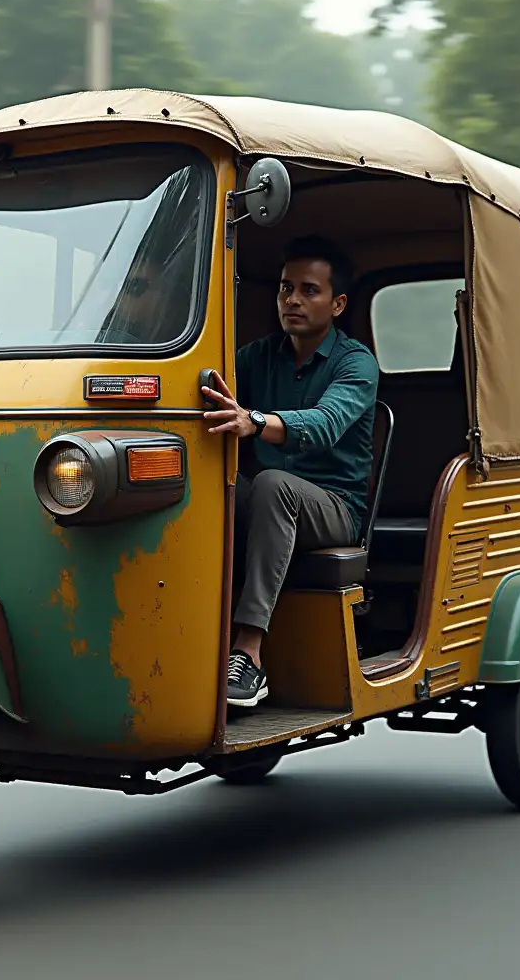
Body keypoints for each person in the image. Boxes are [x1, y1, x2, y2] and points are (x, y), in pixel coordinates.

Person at [201, 235, 380, 707]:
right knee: (208, 485)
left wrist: (254, 420)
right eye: (285, 289)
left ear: (337, 303)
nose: (292, 301)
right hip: (269, 500)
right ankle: (191, 631)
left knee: (272, 485)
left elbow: (323, 426)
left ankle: (249, 654)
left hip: (335, 508)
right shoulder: (258, 356)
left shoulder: (356, 364)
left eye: (308, 290)